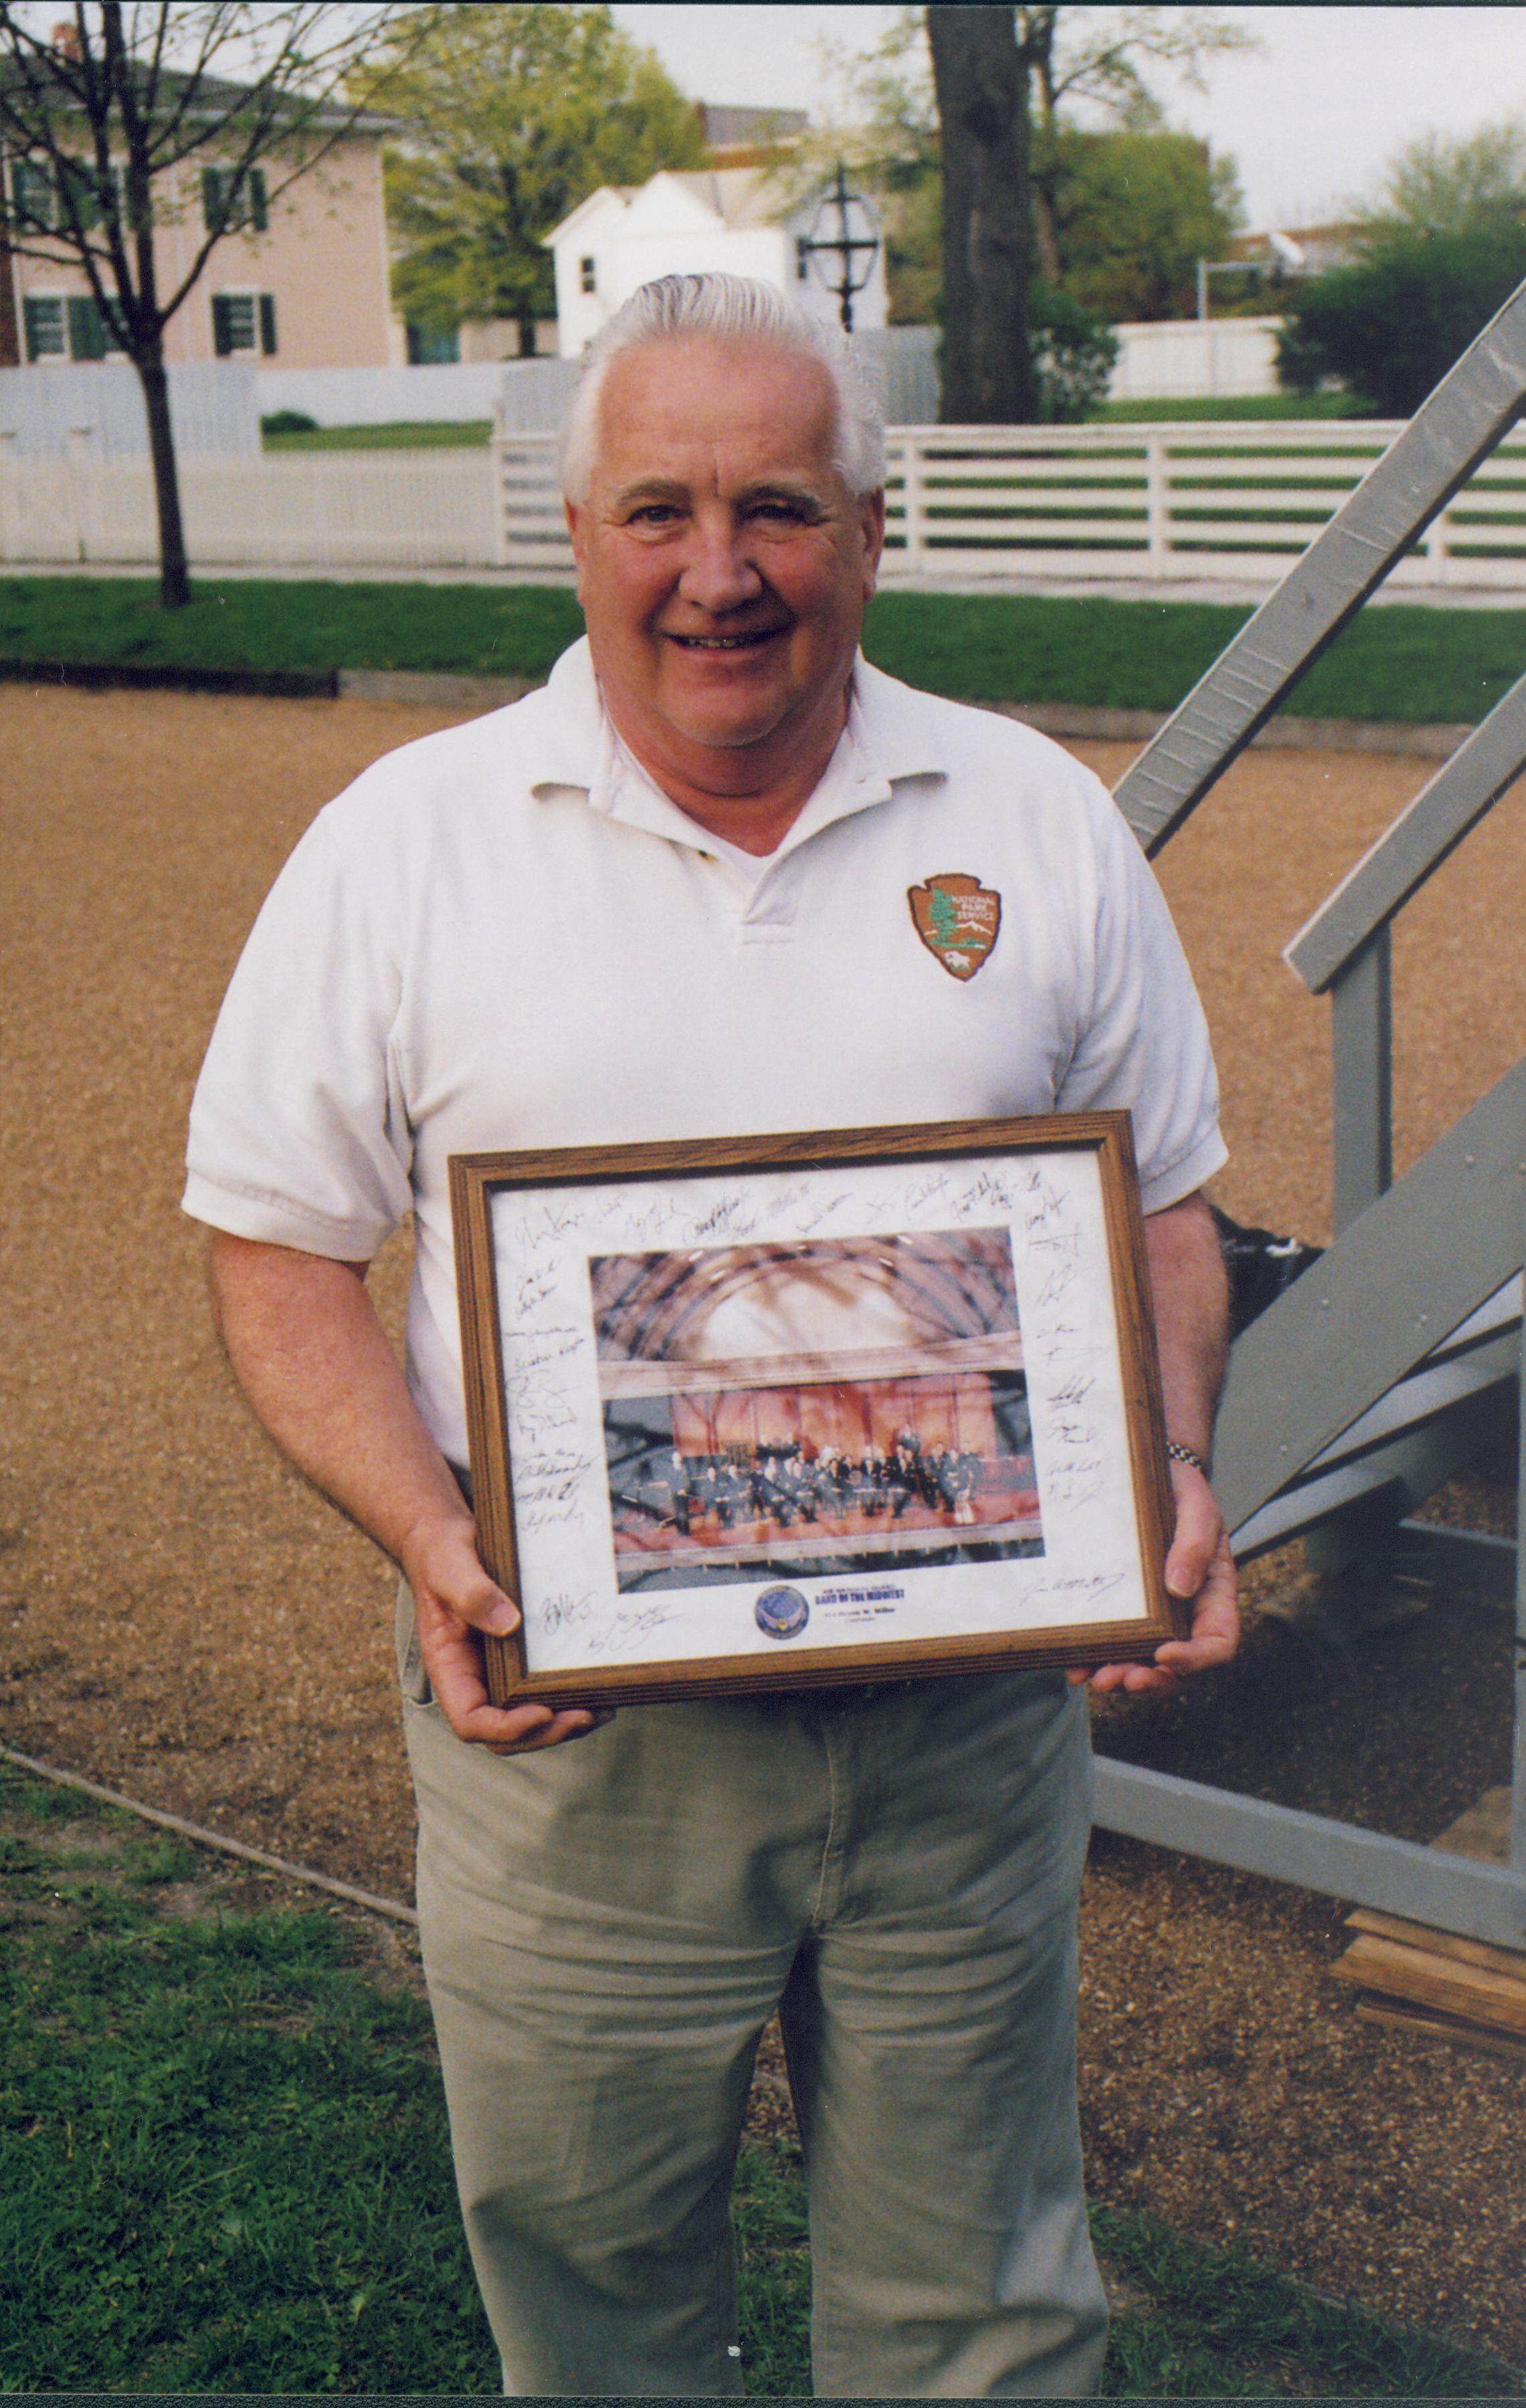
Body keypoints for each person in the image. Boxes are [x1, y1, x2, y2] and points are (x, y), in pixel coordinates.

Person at [185, 272, 1236, 2399]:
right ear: (576, 536)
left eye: (777, 506)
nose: (719, 571)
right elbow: (280, 1248)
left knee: (987, 2314)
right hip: (589, 1743)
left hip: (964, 1721)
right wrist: (429, 1534)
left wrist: (1171, 1469)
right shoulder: (404, 845)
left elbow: (1158, 1206)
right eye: (657, 509)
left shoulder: (1033, 814)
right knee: (595, 2297)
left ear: (871, 526)